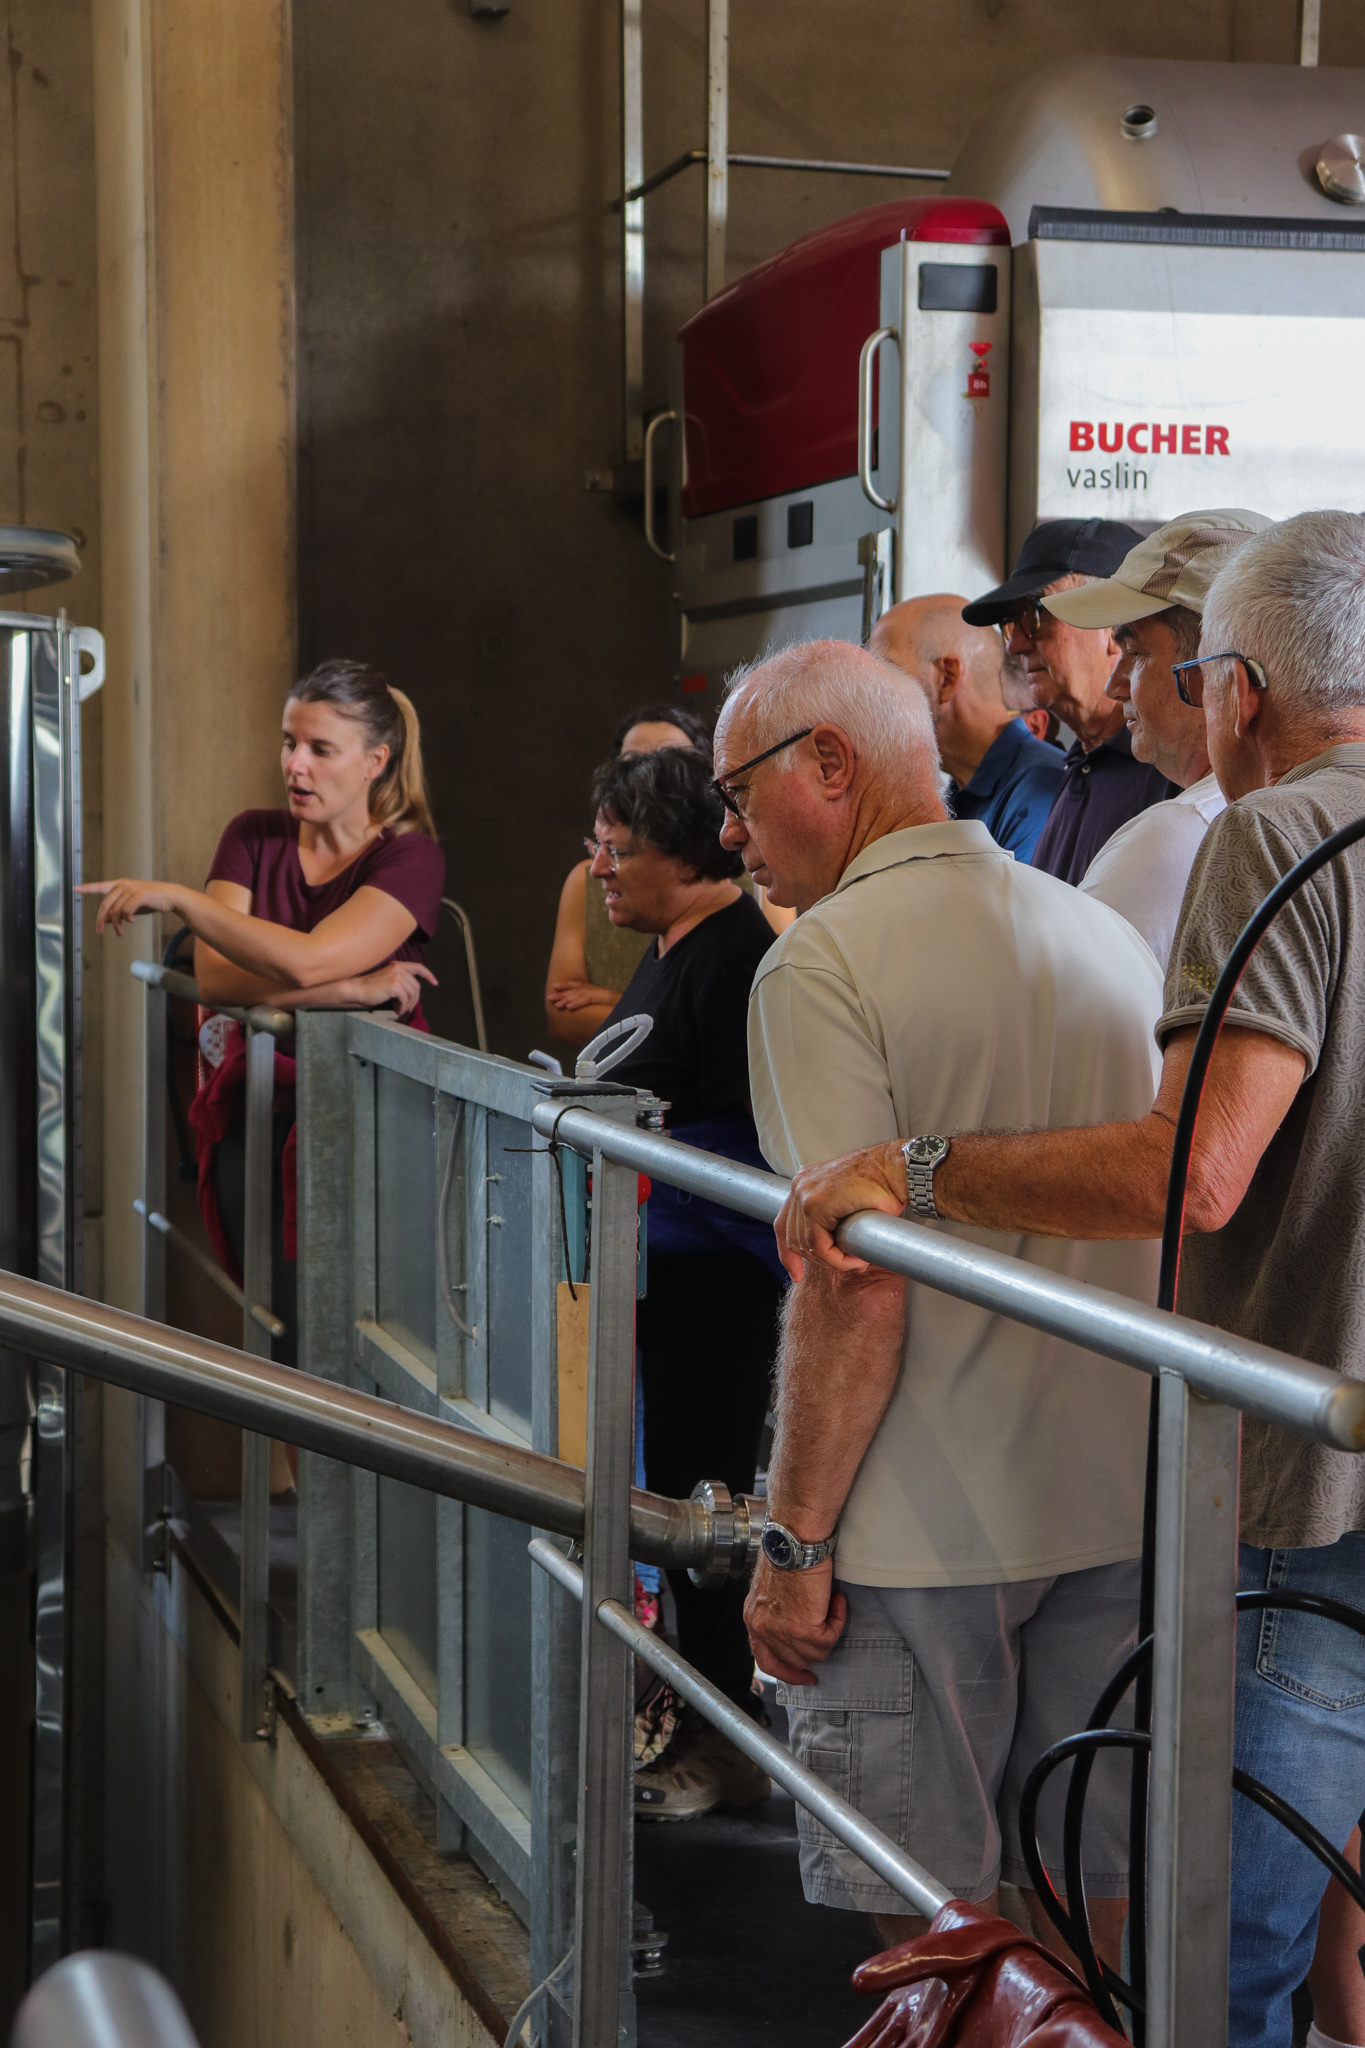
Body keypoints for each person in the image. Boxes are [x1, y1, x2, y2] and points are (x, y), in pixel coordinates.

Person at [770, 513, 1365, 2048]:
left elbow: (1196, 1169)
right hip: (1197, 1487)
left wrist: (915, 1172)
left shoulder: (1278, 832)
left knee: (1216, 1951)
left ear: (1238, 692)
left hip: (1309, 1489)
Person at [710, 639, 1164, 1964]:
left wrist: (791, 1549)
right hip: (1110, 1512)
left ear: (832, 767)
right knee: (1091, 1932)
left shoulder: (817, 966)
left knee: (930, 1956)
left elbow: (852, 1290)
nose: (731, 831)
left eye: (741, 791)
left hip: (915, 1544)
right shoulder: (1099, 934)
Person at [82, 657, 445, 1358]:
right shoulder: (252, 833)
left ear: (375, 760)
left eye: (319, 749)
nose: (295, 765)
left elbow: (299, 959)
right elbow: (219, 976)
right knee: (282, 1328)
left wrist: (185, 900)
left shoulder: (411, 858)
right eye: (288, 742)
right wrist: (348, 990)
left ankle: (342, 1472)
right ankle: (292, 1476)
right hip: (253, 1113)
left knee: (365, 1335)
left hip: (372, 1122)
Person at [586, 744, 784, 1821]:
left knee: (700, 1502)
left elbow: (743, 1143)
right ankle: (679, 1706)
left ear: (683, 854)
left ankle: (722, 1734)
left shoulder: (737, 953)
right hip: (659, 1271)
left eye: (618, 850)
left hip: (713, 1280)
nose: (600, 868)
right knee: (662, 1494)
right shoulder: (674, 942)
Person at [1060, 511, 1273, 967]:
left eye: (1135, 653)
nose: (1113, 686)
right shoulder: (1315, 811)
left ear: (1206, 668)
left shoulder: (1174, 840)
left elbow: (1057, 1030)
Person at [962, 518, 1171, 882]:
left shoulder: (1169, 768)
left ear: (1113, 623)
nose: (1015, 644)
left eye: (1037, 613)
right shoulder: (1079, 764)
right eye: (1012, 621)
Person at [544, 703, 712, 1048]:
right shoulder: (587, 878)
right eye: (635, 763)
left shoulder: (750, 883)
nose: (649, 777)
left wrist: (610, 999)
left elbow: (736, 1020)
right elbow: (563, 1016)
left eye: (667, 760)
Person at [871, 594, 1064, 861]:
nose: (871, 699)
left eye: (887, 674)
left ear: (946, 678)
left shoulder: (1039, 789)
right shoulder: (955, 797)